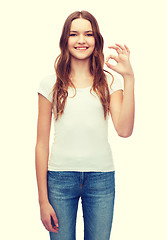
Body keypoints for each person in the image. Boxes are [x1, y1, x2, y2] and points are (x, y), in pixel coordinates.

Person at [35, 10, 135, 240]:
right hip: (59, 180)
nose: (81, 40)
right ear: (65, 40)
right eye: (74, 34)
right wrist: (42, 200)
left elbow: (124, 130)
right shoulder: (49, 84)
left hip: (101, 179)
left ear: (96, 40)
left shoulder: (110, 81)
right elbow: (41, 144)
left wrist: (129, 78)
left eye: (88, 34)